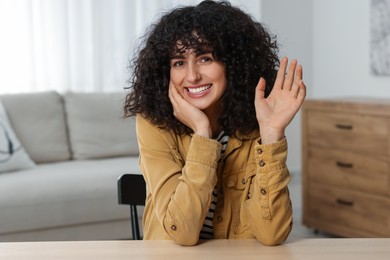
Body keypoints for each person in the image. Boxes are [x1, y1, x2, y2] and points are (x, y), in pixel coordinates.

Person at [124, 0, 306, 246]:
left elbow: (271, 234)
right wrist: (202, 133)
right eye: (179, 62)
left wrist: (272, 134)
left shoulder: (257, 122)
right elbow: (182, 232)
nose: (192, 76)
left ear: (233, 63)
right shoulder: (154, 123)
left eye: (205, 58)